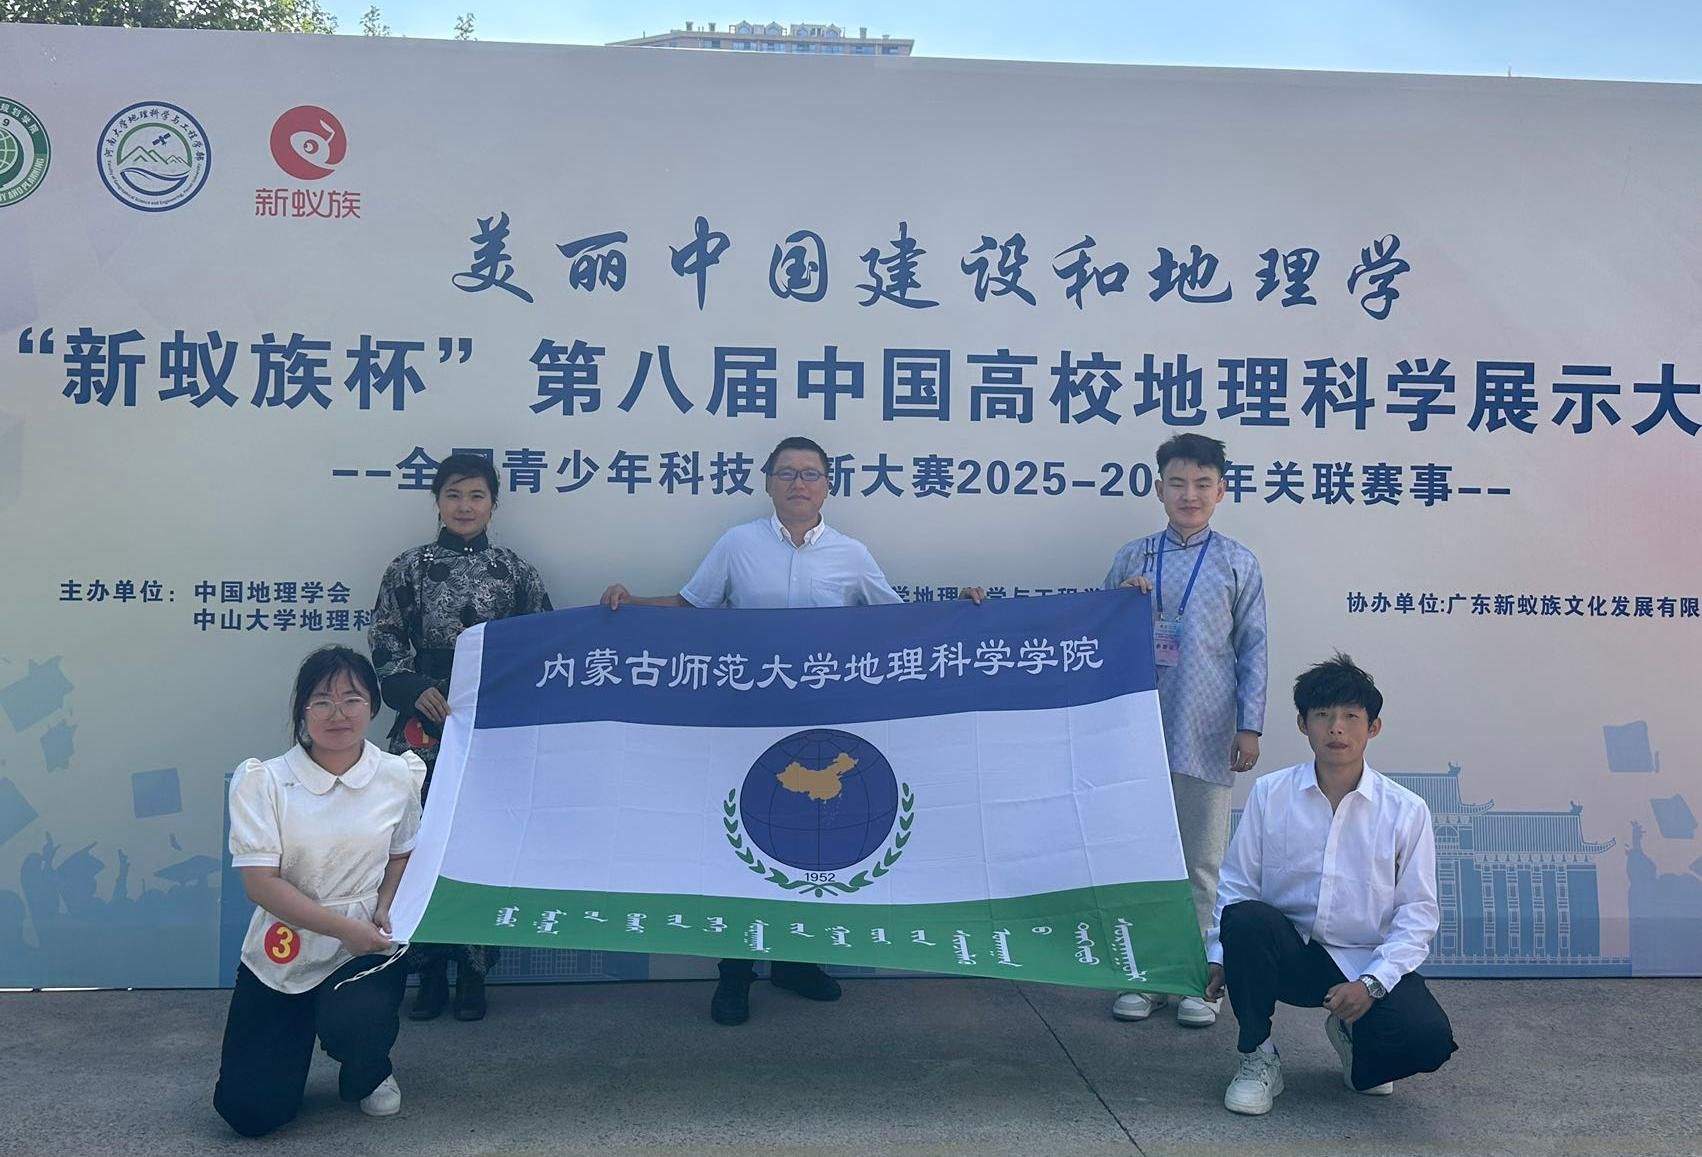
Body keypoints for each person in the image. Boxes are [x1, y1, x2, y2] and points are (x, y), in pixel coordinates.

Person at [601, 435, 900, 1026]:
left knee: (809, 844)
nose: (798, 483)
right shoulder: (738, 544)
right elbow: (693, 607)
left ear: (828, 485)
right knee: (743, 843)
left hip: (820, 726)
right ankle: (734, 973)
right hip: (746, 722)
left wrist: (966, 610)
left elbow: (898, 621)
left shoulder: (851, 554)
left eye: (810, 473)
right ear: (767, 482)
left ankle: (797, 962)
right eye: (786, 473)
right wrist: (632, 605)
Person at [1208, 654, 1458, 1116]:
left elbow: (1418, 913)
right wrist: (1219, 956)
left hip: (1362, 960)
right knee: (1244, 920)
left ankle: (1353, 1036)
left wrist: (1372, 983)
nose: (1336, 729)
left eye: (1350, 717)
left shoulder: (1406, 810)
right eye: (1322, 715)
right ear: (1303, 724)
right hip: (1290, 953)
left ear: (1373, 727)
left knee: (1427, 1038)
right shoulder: (1271, 794)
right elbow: (1238, 883)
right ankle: (1257, 1056)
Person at [368, 453, 553, 1021]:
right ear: (437, 502)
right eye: (453, 494)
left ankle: (474, 971)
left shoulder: (516, 572)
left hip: (490, 732)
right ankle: (427, 971)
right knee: (419, 844)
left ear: (494, 503)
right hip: (423, 727)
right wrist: (412, 687)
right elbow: (386, 637)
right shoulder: (409, 568)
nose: (465, 506)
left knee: (481, 842)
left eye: (476, 495)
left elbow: (541, 646)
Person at [213, 646, 424, 1136]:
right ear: (302, 711)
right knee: (249, 1114)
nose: (338, 713)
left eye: (352, 699)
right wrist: (342, 928)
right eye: (322, 701)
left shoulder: (398, 775)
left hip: (367, 943)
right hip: (284, 946)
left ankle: (369, 1068)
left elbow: (402, 853)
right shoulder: (265, 781)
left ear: (372, 706)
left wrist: (383, 906)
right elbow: (260, 883)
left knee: (355, 1017)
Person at [1100, 432, 1267, 1029]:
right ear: (1158, 488)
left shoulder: (1238, 563)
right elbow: (1096, 640)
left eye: (1202, 483)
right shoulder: (1131, 559)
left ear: (1221, 491)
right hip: (1137, 734)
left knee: (1202, 864)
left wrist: (1249, 726)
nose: (1188, 494)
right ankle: (1144, 974)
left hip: (1207, 731)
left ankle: (1199, 979)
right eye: (1177, 483)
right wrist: (1121, 604)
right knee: (1143, 862)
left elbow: (1253, 649)